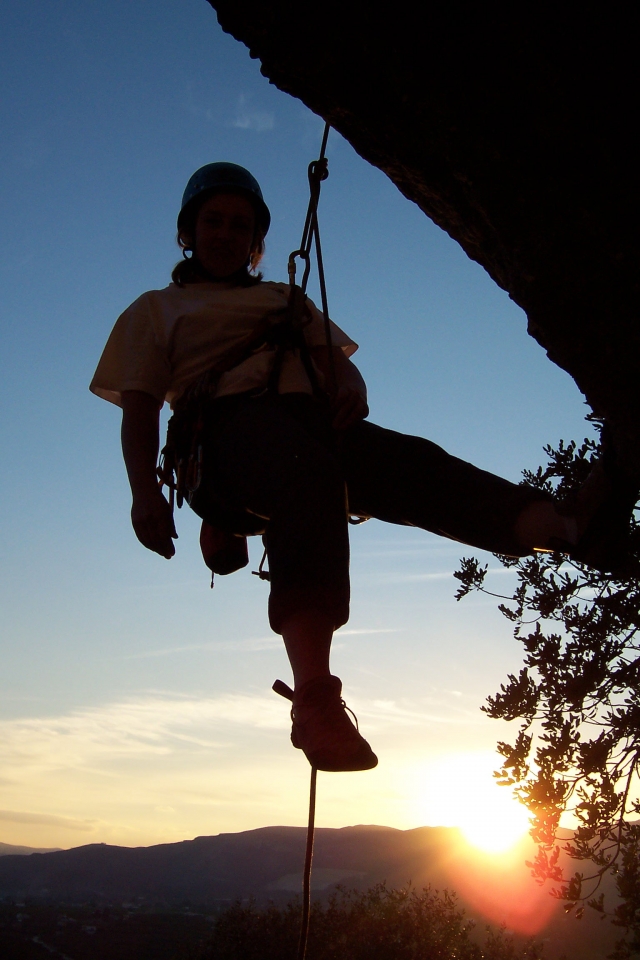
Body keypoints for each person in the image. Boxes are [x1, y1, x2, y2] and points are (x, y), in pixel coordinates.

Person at [90, 162, 626, 774]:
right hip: (221, 440)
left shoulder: (283, 300)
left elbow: (337, 362)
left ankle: (565, 526)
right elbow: (139, 409)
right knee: (305, 472)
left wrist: (351, 381)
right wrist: (144, 494)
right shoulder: (156, 310)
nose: (226, 234)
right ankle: (315, 701)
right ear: (188, 232)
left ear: (256, 239)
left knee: (412, 465)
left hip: (309, 428)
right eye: (213, 221)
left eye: (240, 225)